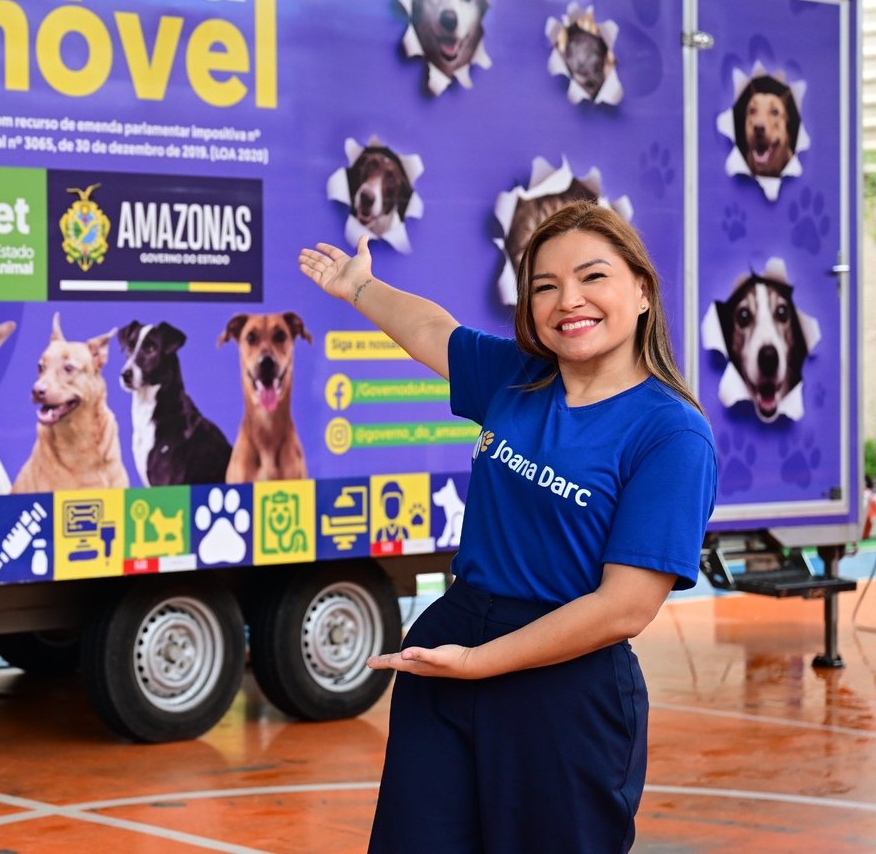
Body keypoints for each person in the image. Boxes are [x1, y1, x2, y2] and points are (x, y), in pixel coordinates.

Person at [298, 201, 716, 853]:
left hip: (565, 684)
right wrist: (359, 287)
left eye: (592, 277)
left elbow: (625, 607)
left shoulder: (672, 434)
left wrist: (479, 663)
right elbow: (432, 328)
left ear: (642, 291)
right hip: (453, 644)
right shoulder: (519, 378)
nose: (567, 300)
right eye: (545, 286)